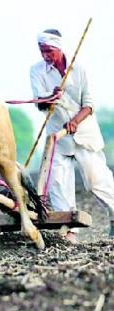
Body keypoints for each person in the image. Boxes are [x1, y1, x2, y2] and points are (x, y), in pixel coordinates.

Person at [30, 28, 114, 242]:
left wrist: (75, 122)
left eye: (49, 51)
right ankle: (69, 231)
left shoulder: (79, 69)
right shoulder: (37, 71)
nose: (45, 55)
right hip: (57, 138)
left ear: (58, 48)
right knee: (58, 182)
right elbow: (40, 104)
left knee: (97, 180)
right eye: (42, 51)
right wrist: (51, 96)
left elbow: (89, 105)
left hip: (84, 133)